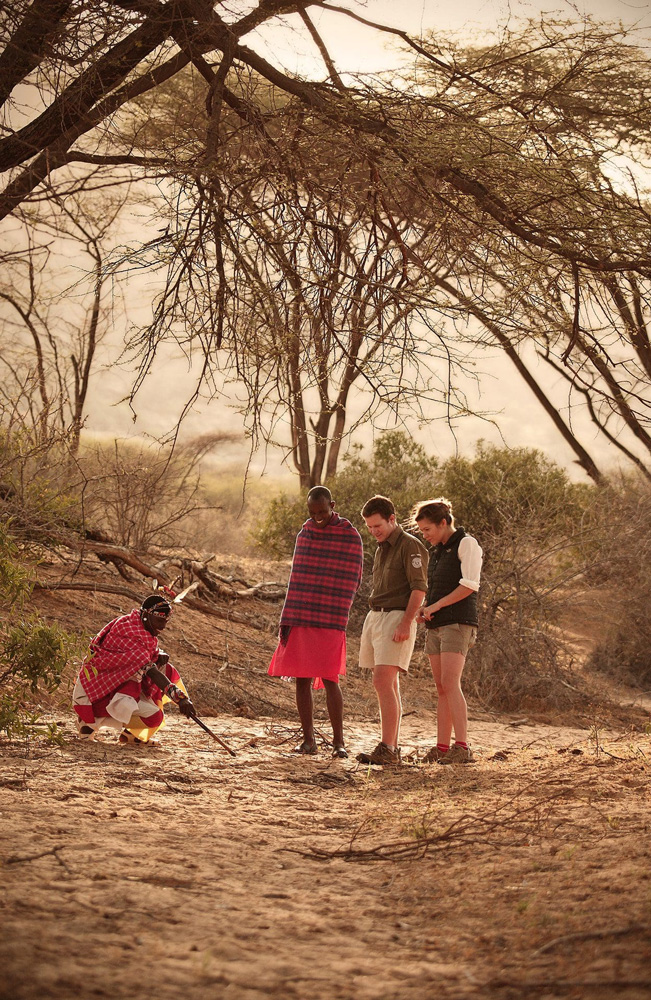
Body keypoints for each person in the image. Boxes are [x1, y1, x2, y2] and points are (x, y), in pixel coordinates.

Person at [268, 486, 364, 758]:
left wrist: (336, 604)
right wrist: (289, 613)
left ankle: (338, 743)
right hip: (302, 614)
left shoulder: (349, 535)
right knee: (302, 679)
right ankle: (309, 741)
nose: (318, 517)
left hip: (331, 617)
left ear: (332, 505)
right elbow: (297, 578)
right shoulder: (305, 533)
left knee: (330, 679)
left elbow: (352, 578)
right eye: (312, 513)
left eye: (322, 511)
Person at [357, 495, 428, 766]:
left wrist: (405, 622)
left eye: (378, 526)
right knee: (388, 683)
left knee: (382, 682)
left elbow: (419, 589)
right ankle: (391, 748)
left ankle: (387, 746)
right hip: (377, 616)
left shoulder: (410, 546)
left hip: (396, 616)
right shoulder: (380, 548)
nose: (374, 531)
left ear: (392, 519)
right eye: (369, 527)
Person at [412, 497, 483, 764]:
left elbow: (469, 585)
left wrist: (437, 606)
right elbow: (438, 587)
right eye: (422, 531)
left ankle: (462, 747)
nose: (425, 535)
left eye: (428, 529)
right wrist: (425, 608)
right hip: (437, 624)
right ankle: (442, 747)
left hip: (458, 622)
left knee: (451, 683)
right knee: (441, 686)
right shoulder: (438, 550)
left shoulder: (467, 544)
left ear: (443, 523)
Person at [72, 594, 195, 745]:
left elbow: (144, 657)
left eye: (165, 622)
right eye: (159, 621)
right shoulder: (129, 632)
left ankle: (132, 736)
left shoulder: (134, 625)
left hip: (116, 686)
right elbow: (151, 670)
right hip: (93, 692)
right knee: (155, 703)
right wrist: (180, 699)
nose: (163, 626)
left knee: (166, 670)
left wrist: (157, 654)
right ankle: (88, 723)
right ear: (145, 616)